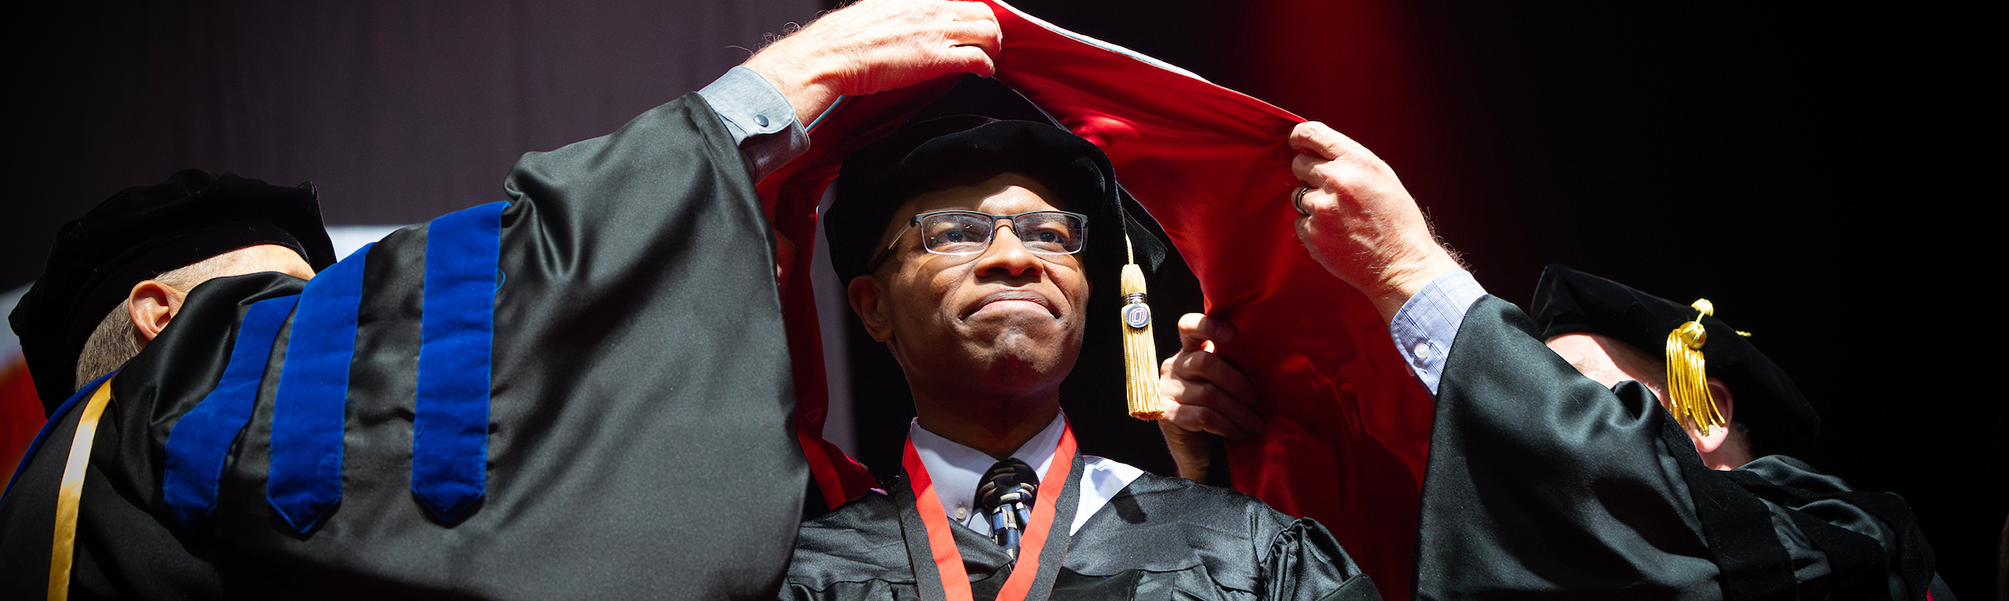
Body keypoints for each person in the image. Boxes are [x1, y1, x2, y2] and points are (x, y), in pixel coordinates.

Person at [0, 1, 1005, 598]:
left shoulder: (84, 518)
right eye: (281, 308)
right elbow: (484, 308)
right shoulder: (162, 409)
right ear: (161, 321)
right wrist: (759, 98)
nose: (328, 328)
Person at [1276, 119, 1955, 599]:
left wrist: (1407, 269)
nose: (1535, 428)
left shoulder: (1837, 538)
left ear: (1707, 409)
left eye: (1577, 401)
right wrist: (1243, 455)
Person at [780, 84, 1383, 599]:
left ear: (1090, 291)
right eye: (959, 233)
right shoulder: (812, 574)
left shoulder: (1242, 549)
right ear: (873, 305)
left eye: (1048, 234)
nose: (1015, 257)